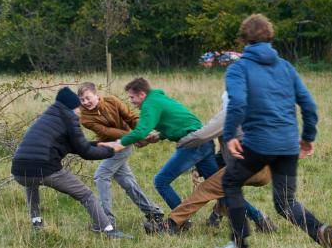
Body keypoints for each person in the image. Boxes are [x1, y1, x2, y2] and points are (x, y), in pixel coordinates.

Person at [213, 14, 332, 248]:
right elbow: (308, 104)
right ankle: (320, 231)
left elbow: (237, 103)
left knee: (230, 181)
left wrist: (229, 135)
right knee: (285, 202)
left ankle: (240, 245)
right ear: (270, 38)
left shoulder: (239, 68)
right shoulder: (285, 66)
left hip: (259, 142)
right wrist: (307, 137)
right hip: (287, 144)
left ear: (244, 40)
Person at [101, 78, 268, 233]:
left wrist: (119, 144)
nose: (131, 101)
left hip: (193, 144)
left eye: (132, 97)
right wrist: (159, 136)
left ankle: (181, 222)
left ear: (142, 94)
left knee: (161, 181)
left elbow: (141, 130)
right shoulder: (159, 99)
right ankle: (260, 219)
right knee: (221, 188)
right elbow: (177, 122)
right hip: (203, 144)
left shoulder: (150, 104)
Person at [11, 87, 132, 239]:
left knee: (31, 183)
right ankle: (108, 230)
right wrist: (112, 150)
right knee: (86, 195)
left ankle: (36, 223)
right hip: (46, 168)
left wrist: (100, 144)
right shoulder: (69, 118)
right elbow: (85, 152)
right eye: (78, 107)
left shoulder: (47, 118)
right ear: (72, 107)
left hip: (18, 170)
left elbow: (73, 145)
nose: (80, 111)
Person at [151, 91, 277, 234]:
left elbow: (201, 135)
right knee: (223, 187)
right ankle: (258, 220)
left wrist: (182, 142)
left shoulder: (229, 114)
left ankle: (171, 224)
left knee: (205, 189)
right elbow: (227, 152)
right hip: (266, 170)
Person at [77, 82, 164, 229]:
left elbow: (130, 118)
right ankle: (153, 212)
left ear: (96, 94)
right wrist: (135, 136)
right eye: (82, 100)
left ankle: (106, 221)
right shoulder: (85, 117)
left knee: (101, 176)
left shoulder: (112, 101)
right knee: (127, 182)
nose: (85, 102)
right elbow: (106, 132)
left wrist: (143, 130)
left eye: (88, 98)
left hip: (123, 146)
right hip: (110, 147)